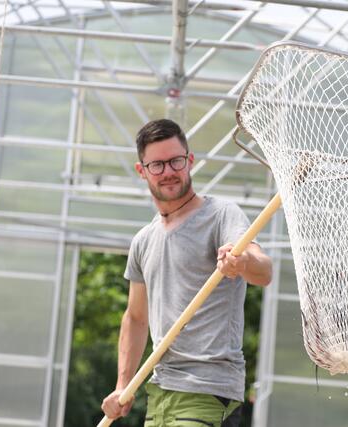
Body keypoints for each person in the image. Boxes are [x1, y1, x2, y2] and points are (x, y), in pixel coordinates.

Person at [101, 119, 272, 426]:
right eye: (157, 165)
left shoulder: (221, 215)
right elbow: (136, 318)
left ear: (189, 161)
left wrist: (242, 262)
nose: (168, 171)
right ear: (142, 171)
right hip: (161, 391)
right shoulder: (143, 241)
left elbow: (264, 271)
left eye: (176, 161)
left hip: (209, 390)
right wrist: (122, 385)